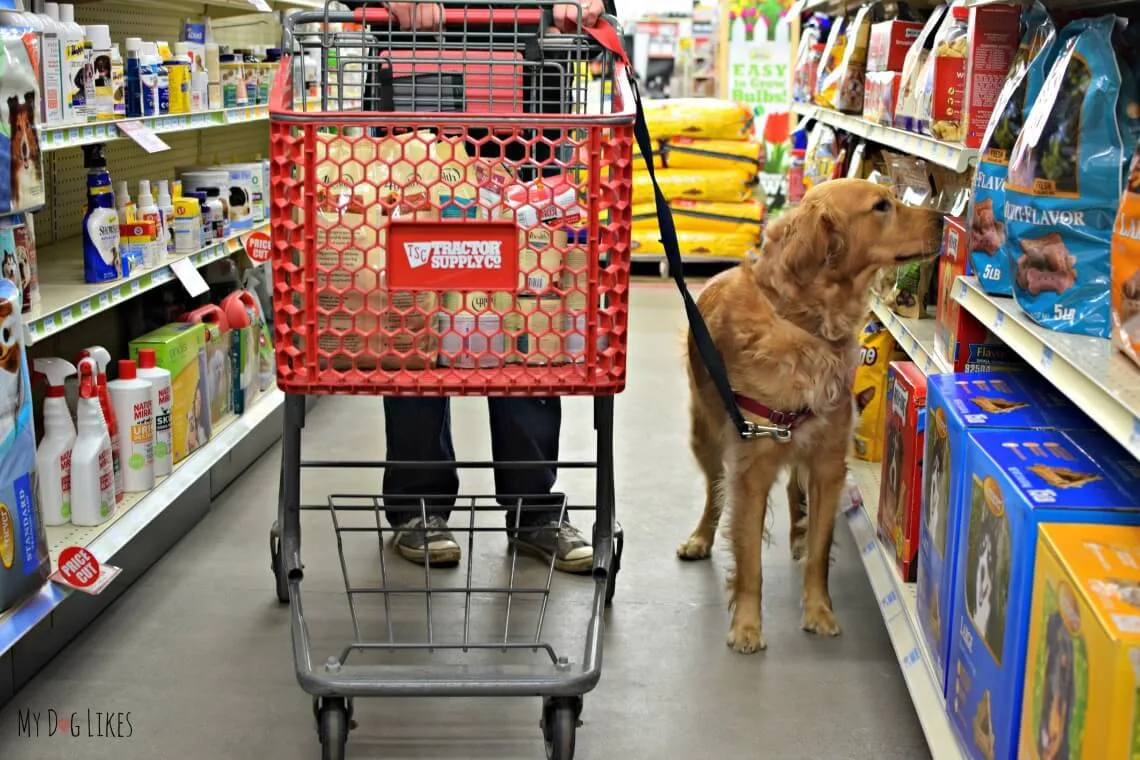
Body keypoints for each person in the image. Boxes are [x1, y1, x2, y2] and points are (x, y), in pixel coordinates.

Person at [380, 0, 606, 574]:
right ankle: (418, 504)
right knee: (417, 311)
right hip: (419, 99)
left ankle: (534, 511)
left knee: (529, 311)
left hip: (529, 102)